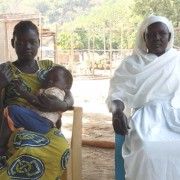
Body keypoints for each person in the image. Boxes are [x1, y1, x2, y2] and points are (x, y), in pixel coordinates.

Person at [106, 15, 180, 180]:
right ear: (144, 37)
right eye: (151, 34)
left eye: (162, 34)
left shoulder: (177, 60)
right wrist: (117, 112)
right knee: (147, 148)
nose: (157, 38)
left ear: (169, 36)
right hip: (146, 117)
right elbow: (117, 93)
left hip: (176, 115)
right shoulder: (131, 64)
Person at [0, 20, 74, 179]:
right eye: (21, 42)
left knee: (61, 146)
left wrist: (62, 104)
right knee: (28, 145)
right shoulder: (5, 70)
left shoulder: (49, 68)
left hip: (45, 125)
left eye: (32, 42)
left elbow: (68, 91)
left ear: (39, 43)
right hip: (13, 128)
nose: (27, 47)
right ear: (13, 43)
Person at [3, 65, 73, 135]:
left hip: (41, 122)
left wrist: (21, 90)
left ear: (66, 88)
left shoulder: (56, 91)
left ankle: (2, 143)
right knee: (14, 112)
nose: (50, 81)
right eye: (47, 79)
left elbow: (40, 103)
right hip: (38, 121)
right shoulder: (47, 89)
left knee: (12, 110)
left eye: (55, 80)